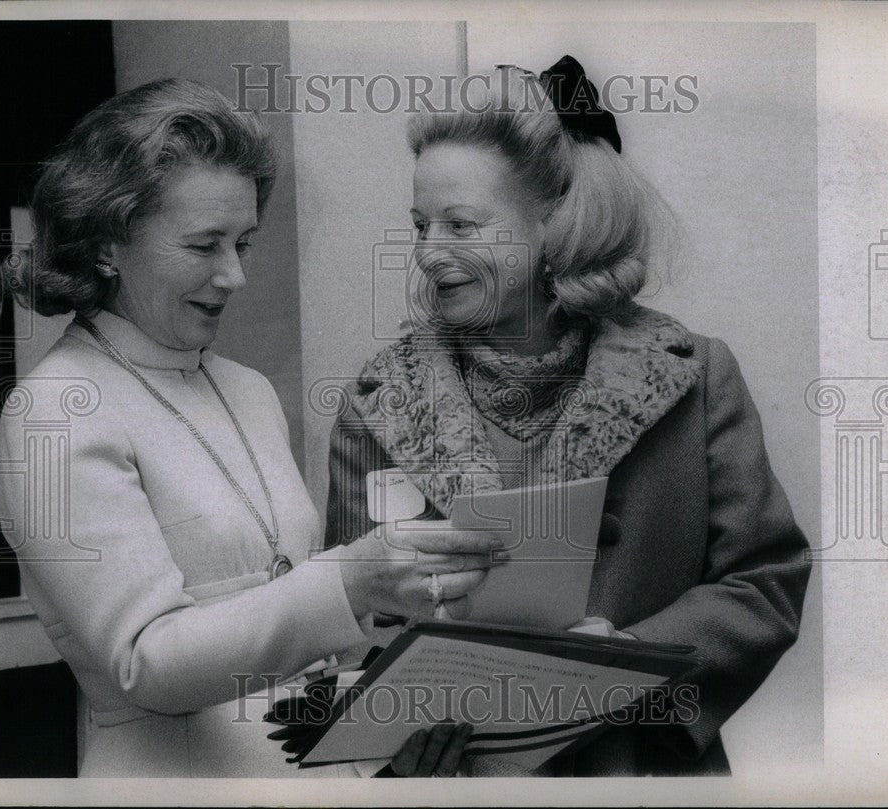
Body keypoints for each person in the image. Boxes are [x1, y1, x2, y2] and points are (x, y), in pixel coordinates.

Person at [323, 57, 813, 776]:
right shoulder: (377, 401)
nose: (428, 253)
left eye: (461, 223)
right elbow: (352, 621)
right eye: (420, 224)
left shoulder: (696, 375)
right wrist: (396, 733)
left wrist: (621, 667)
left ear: (553, 219)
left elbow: (765, 584)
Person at [0, 78, 494, 778]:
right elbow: (148, 662)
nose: (233, 275)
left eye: (244, 242)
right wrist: (352, 579)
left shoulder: (249, 390)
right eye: (204, 245)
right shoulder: (52, 408)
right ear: (109, 243)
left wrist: (389, 725)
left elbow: (299, 635)